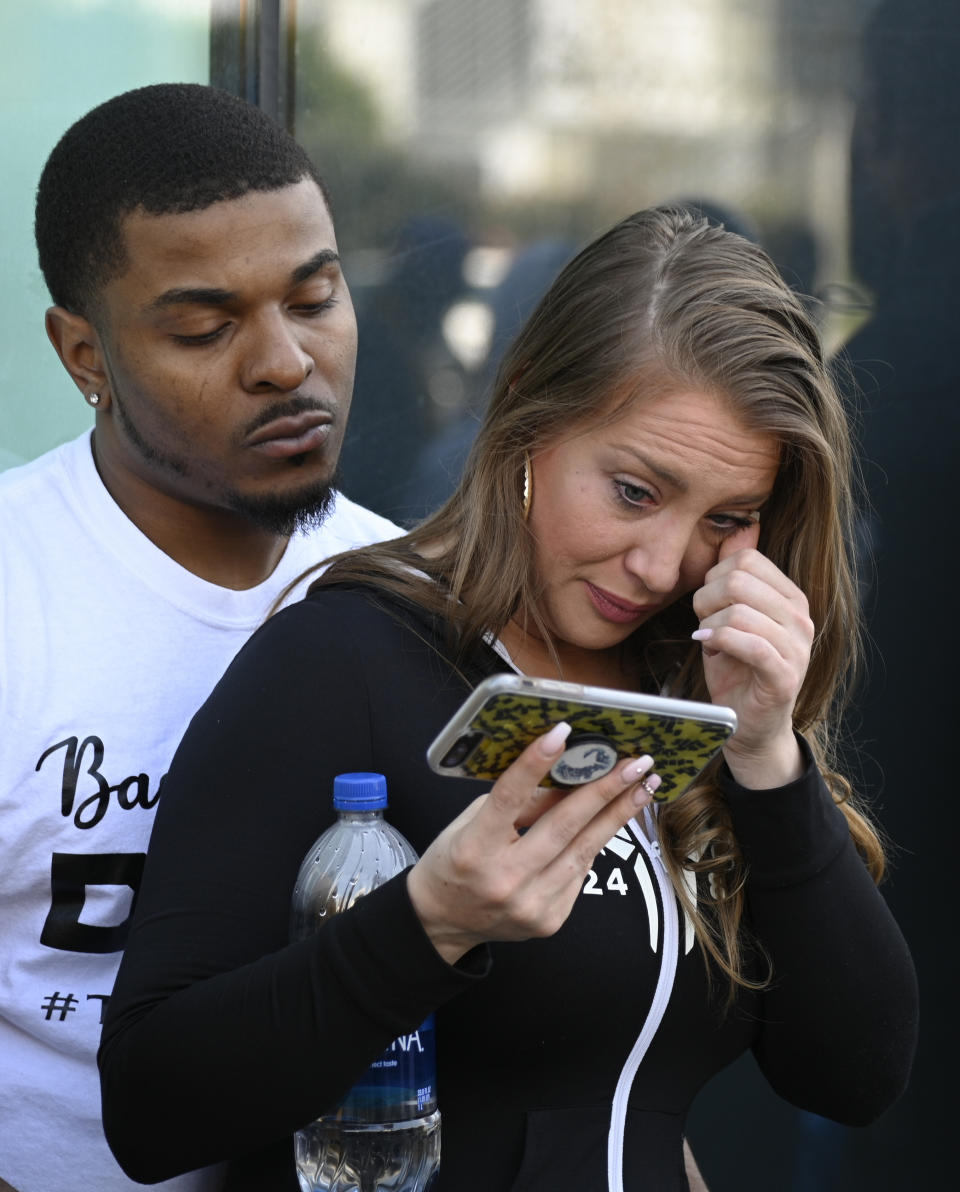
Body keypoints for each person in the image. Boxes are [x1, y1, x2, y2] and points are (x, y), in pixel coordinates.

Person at [99, 207, 917, 1191]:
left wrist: (770, 760)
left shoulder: (686, 697)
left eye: (727, 518)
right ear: (529, 413)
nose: (661, 564)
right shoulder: (347, 655)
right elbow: (150, 1105)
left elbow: (856, 1072)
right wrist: (430, 920)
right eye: (633, 491)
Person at [0, 83, 399, 1192]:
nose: (283, 362)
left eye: (315, 298)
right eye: (204, 327)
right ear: (84, 355)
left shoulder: (413, 595)